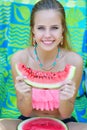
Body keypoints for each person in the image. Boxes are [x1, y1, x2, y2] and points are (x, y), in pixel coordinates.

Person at [0, 0, 87, 130]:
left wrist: (65, 99)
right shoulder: (20, 59)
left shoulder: (75, 62)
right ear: (33, 31)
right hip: (29, 118)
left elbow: (66, 113)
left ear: (63, 29)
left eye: (54, 28)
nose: (47, 35)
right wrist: (25, 96)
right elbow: (25, 112)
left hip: (64, 121)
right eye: (41, 28)